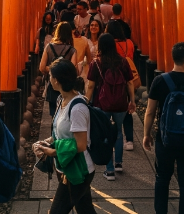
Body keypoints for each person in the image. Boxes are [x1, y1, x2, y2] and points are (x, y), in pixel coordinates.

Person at [143, 42, 184, 214]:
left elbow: (150, 112)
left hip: (165, 140)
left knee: (162, 179)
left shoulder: (159, 81)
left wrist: (147, 134)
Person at [33, 60, 96, 214]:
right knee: (85, 210)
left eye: (50, 76)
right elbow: (60, 133)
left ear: (56, 80)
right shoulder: (61, 100)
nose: (49, 78)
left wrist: (52, 152)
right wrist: (46, 142)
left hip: (79, 170)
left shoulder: (77, 108)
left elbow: (80, 145)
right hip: (67, 166)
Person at [85, 34, 136, 181]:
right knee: (118, 133)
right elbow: (130, 83)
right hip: (120, 103)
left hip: (102, 104)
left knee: (105, 135)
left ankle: (110, 170)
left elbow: (91, 86)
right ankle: (119, 163)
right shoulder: (123, 61)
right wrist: (131, 100)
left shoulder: (97, 63)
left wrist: (86, 102)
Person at [106, 20, 136, 151]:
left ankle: (113, 137)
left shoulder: (111, 44)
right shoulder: (129, 43)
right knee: (128, 111)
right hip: (128, 77)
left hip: (115, 79)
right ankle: (129, 139)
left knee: (112, 110)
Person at [40, 23, 77, 115]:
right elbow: (73, 70)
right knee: (66, 112)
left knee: (53, 114)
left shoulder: (49, 47)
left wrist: (53, 69)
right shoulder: (72, 50)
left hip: (53, 85)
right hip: (66, 87)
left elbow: (41, 67)